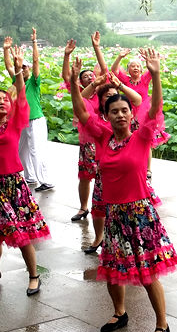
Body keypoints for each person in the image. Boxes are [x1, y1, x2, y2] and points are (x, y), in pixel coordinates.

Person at [70, 47, 177, 332]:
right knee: (113, 269)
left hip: (140, 213)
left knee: (147, 272)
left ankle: (162, 324)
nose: (120, 115)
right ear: (106, 116)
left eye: (124, 110)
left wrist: (155, 75)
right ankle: (119, 313)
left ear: (131, 114)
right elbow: (81, 112)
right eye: (114, 111)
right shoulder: (103, 137)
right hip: (115, 213)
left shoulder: (141, 136)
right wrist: (77, 85)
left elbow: (154, 110)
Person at [0, 44, 50, 296]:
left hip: (15, 183)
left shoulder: (14, 123)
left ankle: (34, 275)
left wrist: (17, 71)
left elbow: (21, 96)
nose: (3, 101)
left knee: (21, 232)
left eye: (5, 99)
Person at [72, 66, 144, 254]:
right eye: (107, 96)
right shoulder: (98, 123)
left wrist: (120, 86)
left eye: (114, 94)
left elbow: (138, 100)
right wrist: (92, 84)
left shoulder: (125, 116)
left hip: (128, 173)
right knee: (99, 206)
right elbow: (80, 104)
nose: (112, 97)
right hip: (104, 170)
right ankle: (99, 238)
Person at [91, 31, 170, 179]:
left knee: (144, 142)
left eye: (138, 66)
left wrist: (154, 64)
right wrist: (119, 57)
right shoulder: (125, 81)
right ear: (128, 70)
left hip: (142, 114)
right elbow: (111, 71)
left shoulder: (144, 79)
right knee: (124, 142)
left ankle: (146, 168)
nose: (135, 68)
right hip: (125, 113)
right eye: (132, 66)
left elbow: (154, 74)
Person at [4, 30, 53, 192]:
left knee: (36, 150)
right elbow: (9, 66)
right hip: (22, 121)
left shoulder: (34, 81)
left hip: (35, 120)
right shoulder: (16, 80)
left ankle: (45, 180)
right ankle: (30, 177)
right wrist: (6, 50)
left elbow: (36, 61)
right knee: (21, 150)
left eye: (25, 67)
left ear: (29, 69)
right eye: (21, 67)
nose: (23, 69)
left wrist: (34, 42)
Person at [62, 39, 98, 221]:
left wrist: (97, 48)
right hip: (87, 142)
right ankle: (84, 208)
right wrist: (66, 55)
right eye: (86, 76)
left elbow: (105, 71)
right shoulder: (78, 93)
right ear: (81, 81)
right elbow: (66, 77)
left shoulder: (102, 92)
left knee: (105, 176)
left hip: (103, 139)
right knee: (85, 176)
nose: (90, 77)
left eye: (92, 75)